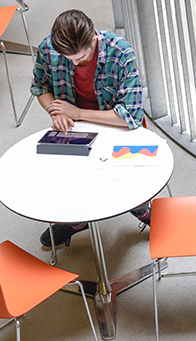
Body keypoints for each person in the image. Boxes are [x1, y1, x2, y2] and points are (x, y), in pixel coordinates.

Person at [30, 9, 149, 248]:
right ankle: (78, 221)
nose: (75, 62)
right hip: (76, 130)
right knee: (72, 181)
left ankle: (141, 210)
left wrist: (76, 113)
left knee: (127, 181)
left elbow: (130, 116)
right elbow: (40, 86)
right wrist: (57, 112)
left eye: (80, 57)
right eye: (69, 59)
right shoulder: (48, 47)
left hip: (119, 128)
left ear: (94, 38)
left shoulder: (121, 51)